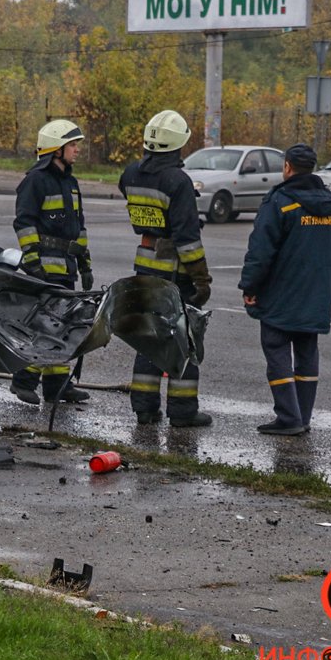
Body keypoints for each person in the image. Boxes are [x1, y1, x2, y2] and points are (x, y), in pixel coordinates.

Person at [239, 143, 331, 435]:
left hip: (280, 294)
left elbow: (261, 252)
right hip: (316, 293)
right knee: (307, 351)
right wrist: (327, 288)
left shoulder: (280, 202)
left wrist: (250, 286)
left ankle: (289, 417)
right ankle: (302, 416)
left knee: (275, 348)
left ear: (287, 167)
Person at [118, 110, 213, 427]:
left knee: (148, 336)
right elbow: (188, 241)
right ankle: (183, 412)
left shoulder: (130, 174)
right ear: (178, 144)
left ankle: (144, 409)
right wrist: (201, 280)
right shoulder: (178, 182)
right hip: (175, 275)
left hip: (145, 266)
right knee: (184, 339)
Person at [10, 119, 93, 406]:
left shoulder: (70, 182)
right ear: (56, 149)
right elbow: (24, 222)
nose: (77, 150)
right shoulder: (35, 181)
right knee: (44, 327)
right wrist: (33, 262)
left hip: (66, 268)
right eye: (72, 145)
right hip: (44, 268)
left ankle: (57, 387)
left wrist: (85, 264)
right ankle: (23, 380)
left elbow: (79, 227)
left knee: (65, 326)